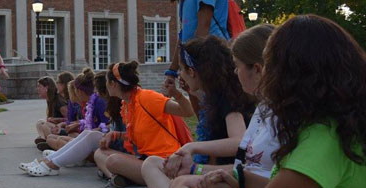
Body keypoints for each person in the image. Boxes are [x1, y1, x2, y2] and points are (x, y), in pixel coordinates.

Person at [204, 15, 366, 188]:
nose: (265, 73)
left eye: (270, 63)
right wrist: (240, 179)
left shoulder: (322, 139)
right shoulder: (336, 126)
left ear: (291, 74)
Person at [145, 24, 277, 188]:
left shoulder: (228, 99)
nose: (235, 72)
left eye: (237, 65)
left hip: (229, 171)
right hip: (229, 171)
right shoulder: (262, 107)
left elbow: (238, 142)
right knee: (154, 165)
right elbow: (203, 122)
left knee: (177, 180)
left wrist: (194, 160)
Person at [162, 0, 231, 133]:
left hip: (212, 58)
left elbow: (204, 24)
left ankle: (215, 155)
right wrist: (173, 69)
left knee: (215, 116)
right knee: (203, 119)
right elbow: (185, 33)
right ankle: (204, 153)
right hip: (194, 59)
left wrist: (194, 64)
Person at [92, 61, 194, 187]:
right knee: (100, 153)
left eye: (107, 81)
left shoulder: (147, 97)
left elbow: (187, 111)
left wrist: (176, 94)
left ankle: (123, 178)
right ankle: (120, 178)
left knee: (112, 161)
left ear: (113, 84)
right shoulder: (126, 104)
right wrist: (115, 134)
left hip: (165, 161)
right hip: (144, 159)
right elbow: (138, 134)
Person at [20, 68, 112, 176]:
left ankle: (53, 163)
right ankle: (50, 160)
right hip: (99, 141)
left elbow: (106, 126)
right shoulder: (93, 102)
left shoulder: (99, 101)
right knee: (82, 134)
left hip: (106, 144)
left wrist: (77, 125)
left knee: (84, 135)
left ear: (80, 91)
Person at [34, 77, 67, 145]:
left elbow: (70, 119)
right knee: (40, 123)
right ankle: (43, 139)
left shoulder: (59, 101)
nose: (38, 89)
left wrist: (56, 119)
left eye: (39, 86)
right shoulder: (49, 100)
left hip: (61, 129)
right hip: (54, 127)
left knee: (45, 125)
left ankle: (50, 142)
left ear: (46, 87)